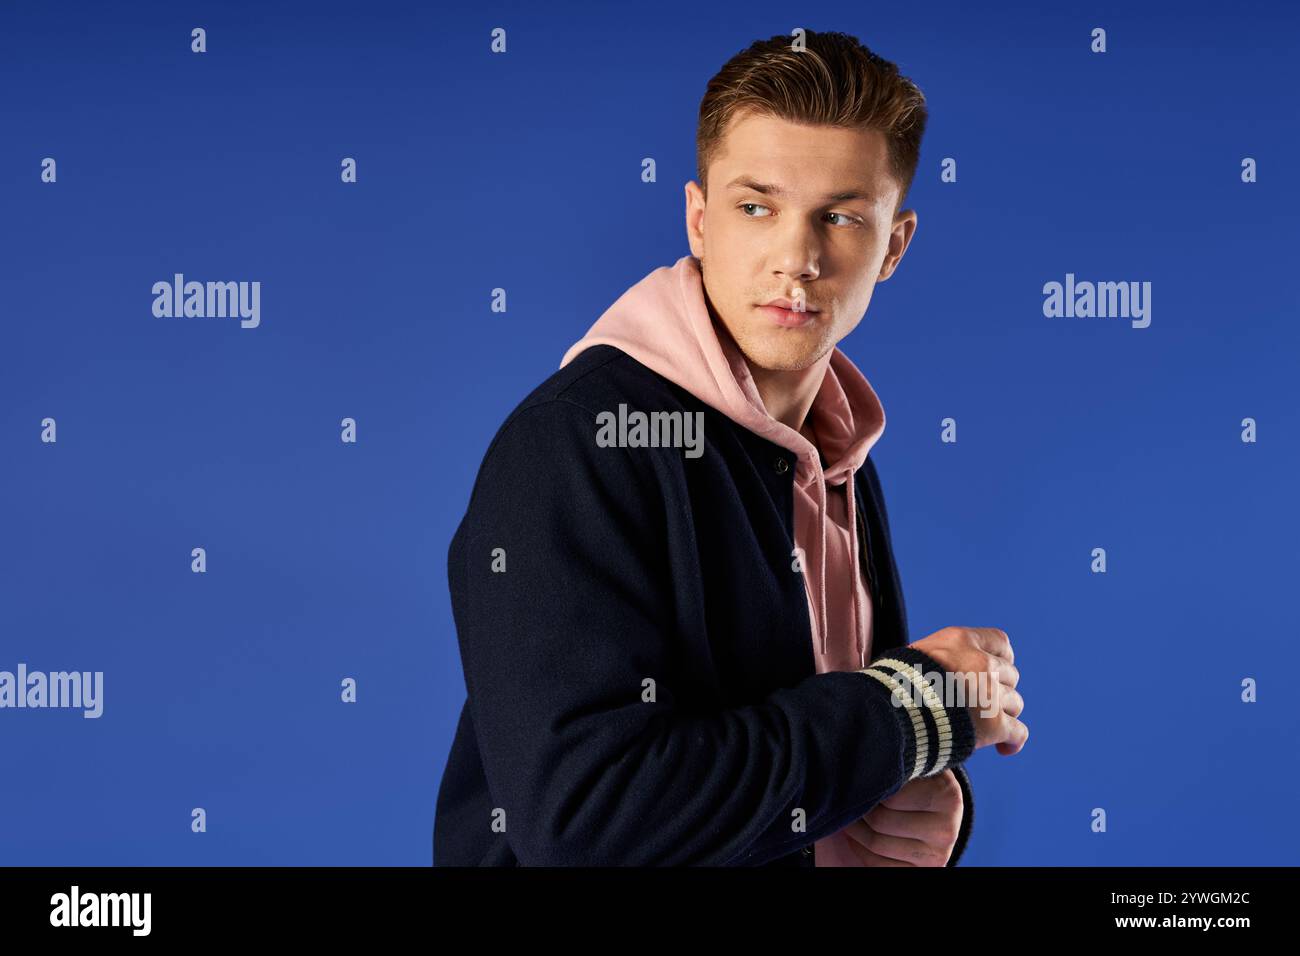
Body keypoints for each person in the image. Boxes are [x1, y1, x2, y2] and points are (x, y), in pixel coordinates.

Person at [434, 29, 1028, 867]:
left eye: (842, 217)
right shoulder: (578, 444)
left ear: (893, 246)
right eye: (758, 207)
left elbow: (796, 765)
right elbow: (585, 823)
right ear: (699, 220)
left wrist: (906, 801)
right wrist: (907, 711)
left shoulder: (833, 450)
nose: (797, 259)